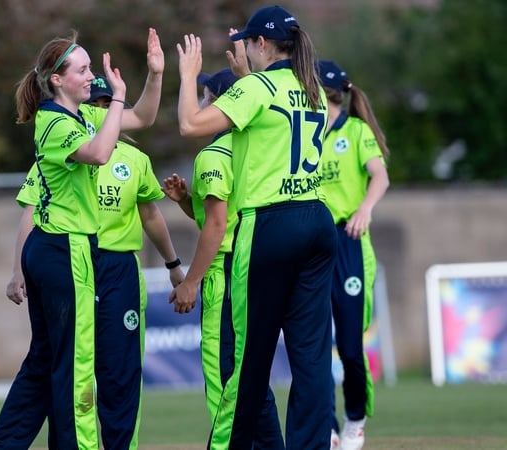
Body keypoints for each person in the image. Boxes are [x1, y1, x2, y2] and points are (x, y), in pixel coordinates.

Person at [0, 28, 164, 450]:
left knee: (46, 361)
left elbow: (142, 118)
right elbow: (101, 153)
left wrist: (154, 75)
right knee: (76, 365)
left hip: (58, 249)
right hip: (64, 250)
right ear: (57, 80)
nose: (90, 77)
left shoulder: (80, 116)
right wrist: (117, 96)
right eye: (82, 70)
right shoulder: (53, 124)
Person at [174, 5, 337, 449]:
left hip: (270, 225)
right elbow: (269, 118)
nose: (243, 46)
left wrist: (189, 74)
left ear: (261, 44)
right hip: (317, 220)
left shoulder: (260, 88)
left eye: (247, 41)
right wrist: (247, 76)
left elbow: (191, 123)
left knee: (245, 361)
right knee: (312, 361)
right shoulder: (313, 88)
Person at [162, 68, 283, 449]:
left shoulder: (215, 154)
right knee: (251, 377)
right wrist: (186, 201)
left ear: (218, 101)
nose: (200, 104)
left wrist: (190, 281)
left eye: (204, 96)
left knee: (223, 380)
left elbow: (216, 228)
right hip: (259, 267)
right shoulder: (255, 149)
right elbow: (223, 216)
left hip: (227, 274)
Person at [318, 60, 390, 450]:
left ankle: (355, 420)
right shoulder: (304, 132)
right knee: (312, 344)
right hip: (313, 245)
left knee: (348, 345)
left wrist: (364, 208)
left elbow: (380, 175)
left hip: (348, 240)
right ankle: (325, 427)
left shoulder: (356, 130)